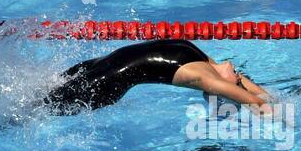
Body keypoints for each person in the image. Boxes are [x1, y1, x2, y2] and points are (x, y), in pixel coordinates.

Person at [46, 39, 274, 113]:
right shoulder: (208, 69)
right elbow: (255, 99)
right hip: (103, 70)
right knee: (42, 99)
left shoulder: (205, 72)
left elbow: (251, 98)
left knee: (44, 106)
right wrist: (277, 105)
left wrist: (274, 106)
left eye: (236, 86)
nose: (239, 76)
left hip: (107, 78)